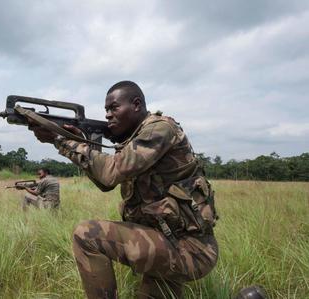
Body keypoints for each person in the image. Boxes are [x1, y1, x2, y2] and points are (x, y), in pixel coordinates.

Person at [30, 81, 219, 298]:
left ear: (136, 104)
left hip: (189, 250)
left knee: (86, 235)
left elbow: (110, 173)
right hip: (169, 241)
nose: (108, 115)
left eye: (114, 108)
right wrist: (77, 141)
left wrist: (59, 139)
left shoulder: (160, 128)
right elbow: (105, 183)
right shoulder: (134, 140)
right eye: (106, 110)